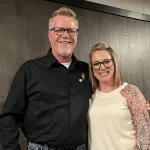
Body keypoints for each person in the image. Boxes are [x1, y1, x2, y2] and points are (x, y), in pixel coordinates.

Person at [0, 7, 91, 150]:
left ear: (77, 35)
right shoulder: (29, 70)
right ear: (50, 35)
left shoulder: (87, 70)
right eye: (59, 30)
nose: (65, 35)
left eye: (71, 30)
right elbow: (9, 117)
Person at [88, 42, 150, 150]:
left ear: (114, 63)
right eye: (96, 63)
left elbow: (144, 134)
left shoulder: (131, 92)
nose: (102, 67)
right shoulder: (89, 95)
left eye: (106, 62)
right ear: (92, 67)